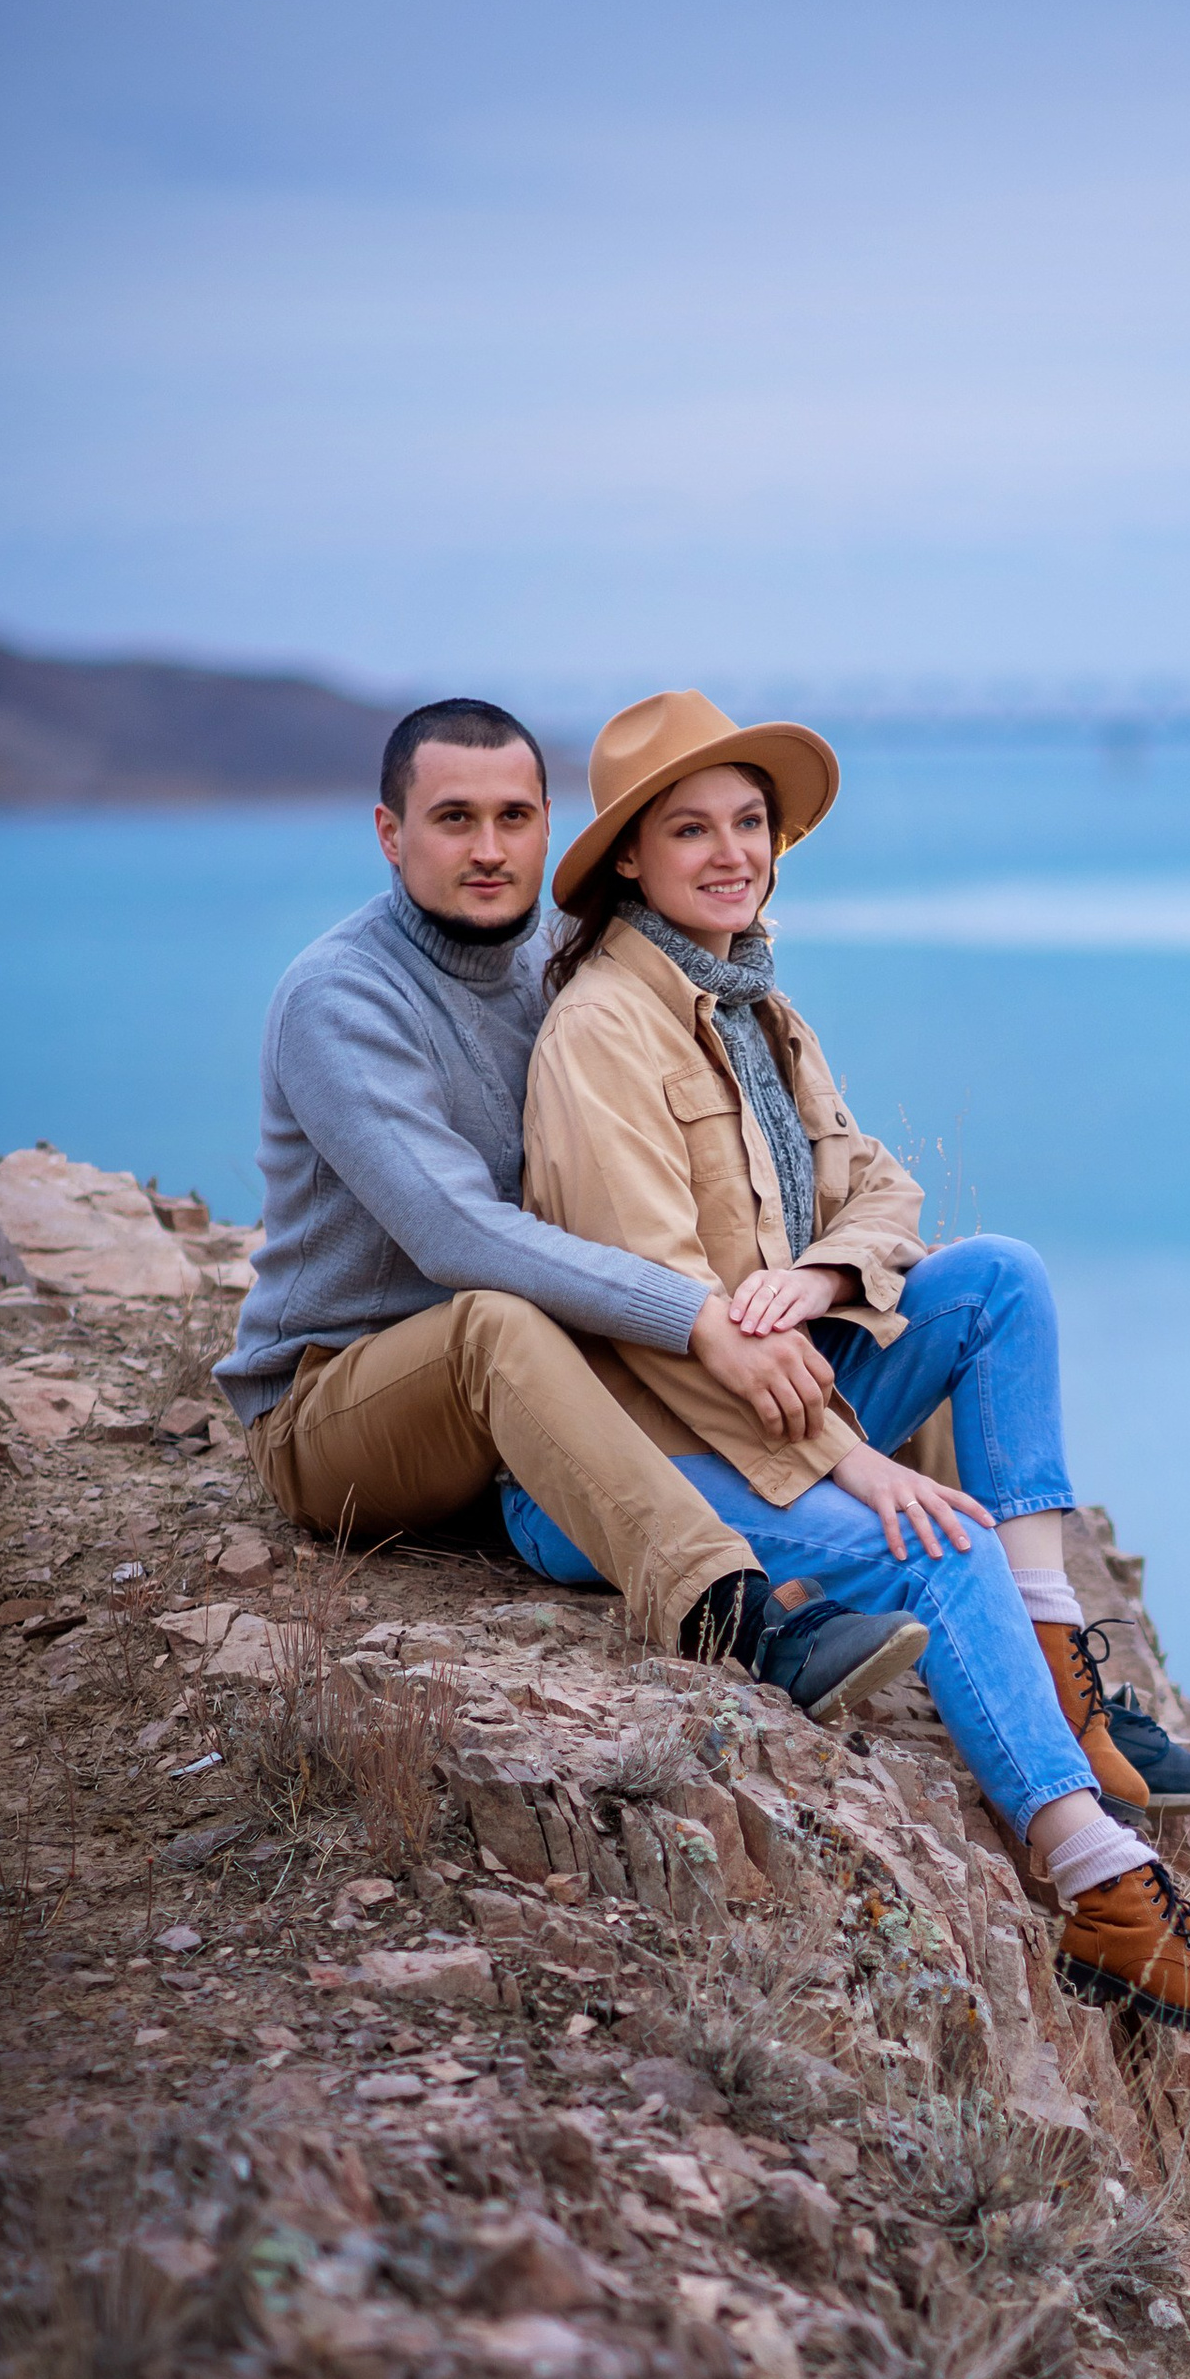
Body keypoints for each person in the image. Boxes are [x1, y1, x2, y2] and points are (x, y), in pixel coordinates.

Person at [513, 688, 1190, 2035]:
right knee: (938, 1535)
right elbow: (659, 1314)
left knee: (1000, 1282)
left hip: (764, 1400)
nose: (730, 851)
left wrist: (821, 1273)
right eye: (688, 829)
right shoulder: (602, 1032)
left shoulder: (752, 1003)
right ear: (628, 859)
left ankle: (1056, 1672)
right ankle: (1100, 1885)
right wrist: (855, 1462)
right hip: (640, 1456)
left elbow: (876, 1183)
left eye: (748, 823)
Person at [217, 695, 919, 1717]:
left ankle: (993, 1621)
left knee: (903, 1295)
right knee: (489, 1325)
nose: (490, 848)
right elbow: (453, 1234)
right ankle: (735, 1615)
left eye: (515, 817)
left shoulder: (565, 961)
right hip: (341, 1407)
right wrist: (699, 1321)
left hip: (541, 1398)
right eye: (455, 818)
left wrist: (805, 1272)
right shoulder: (342, 997)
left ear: (553, 825)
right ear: (390, 833)